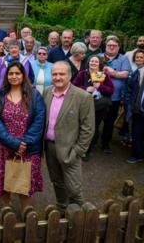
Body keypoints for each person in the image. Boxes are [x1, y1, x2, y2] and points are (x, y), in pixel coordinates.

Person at [0, 61, 45, 211]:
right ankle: (6, 209)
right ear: (6, 76)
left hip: (27, 148)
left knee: (24, 183)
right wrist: (13, 143)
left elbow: (39, 120)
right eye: (10, 73)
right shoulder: (0, 95)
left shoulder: (34, 95)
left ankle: (26, 213)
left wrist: (23, 143)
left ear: (23, 75)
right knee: (5, 181)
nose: (14, 76)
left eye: (17, 73)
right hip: (5, 146)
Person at [43, 61, 94, 215]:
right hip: (50, 147)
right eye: (54, 74)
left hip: (70, 150)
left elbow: (88, 129)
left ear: (70, 75)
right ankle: (62, 208)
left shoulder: (83, 97)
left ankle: (79, 215)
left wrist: (77, 151)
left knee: (73, 187)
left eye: (61, 74)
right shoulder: (46, 92)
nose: (58, 77)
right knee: (57, 182)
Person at [72, 56, 114, 160]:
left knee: (92, 128)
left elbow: (111, 91)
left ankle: (87, 151)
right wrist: (86, 88)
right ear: (88, 62)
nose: (94, 63)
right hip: (83, 105)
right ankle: (78, 148)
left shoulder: (104, 75)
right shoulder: (82, 74)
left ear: (99, 64)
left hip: (99, 107)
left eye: (96, 61)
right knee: (80, 126)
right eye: (92, 61)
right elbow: (73, 86)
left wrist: (100, 87)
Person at [98, 35, 131, 154]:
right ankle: (92, 141)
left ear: (118, 47)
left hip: (114, 96)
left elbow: (126, 74)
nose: (111, 47)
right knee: (95, 119)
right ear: (105, 46)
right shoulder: (99, 57)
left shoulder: (123, 59)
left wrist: (113, 73)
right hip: (98, 95)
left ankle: (105, 143)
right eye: (109, 45)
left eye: (114, 46)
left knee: (109, 121)